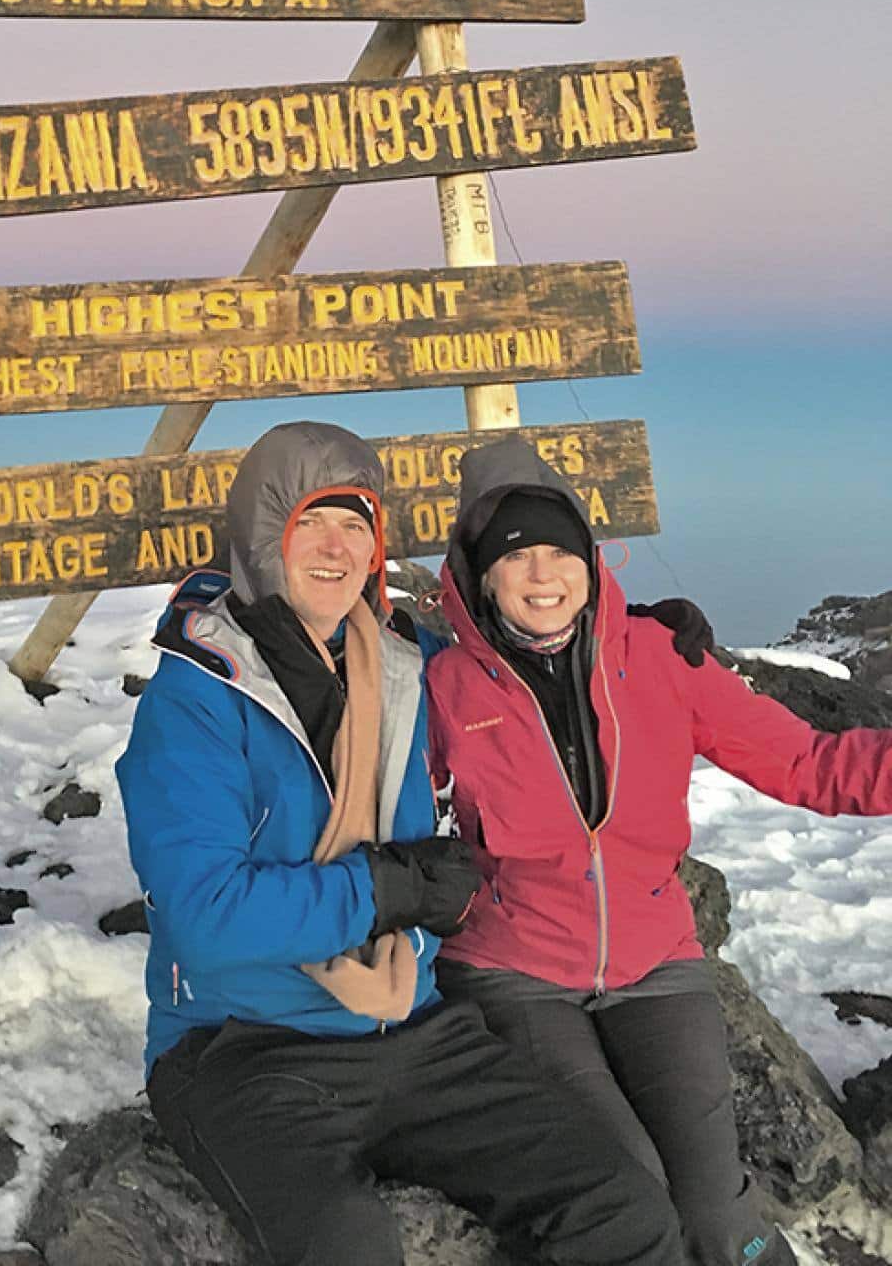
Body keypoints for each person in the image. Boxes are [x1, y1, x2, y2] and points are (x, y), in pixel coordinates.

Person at [116, 420, 689, 1266]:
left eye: (355, 524)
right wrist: (387, 891)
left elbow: (516, 659)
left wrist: (632, 634)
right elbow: (206, 917)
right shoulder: (196, 702)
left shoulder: (403, 664)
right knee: (345, 1245)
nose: (336, 547)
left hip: (414, 1034)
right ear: (262, 534)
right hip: (244, 1049)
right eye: (311, 519)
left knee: (619, 1208)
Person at [428, 433, 892, 1266]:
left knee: (717, 1206)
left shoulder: (659, 657)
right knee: (627, 1192)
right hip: (514, 974)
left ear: (590, 561)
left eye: (557, 551)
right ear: (478, 574)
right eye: (515, 555)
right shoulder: (438, 686)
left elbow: (804, 761)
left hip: (655, 962)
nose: (542, 574)